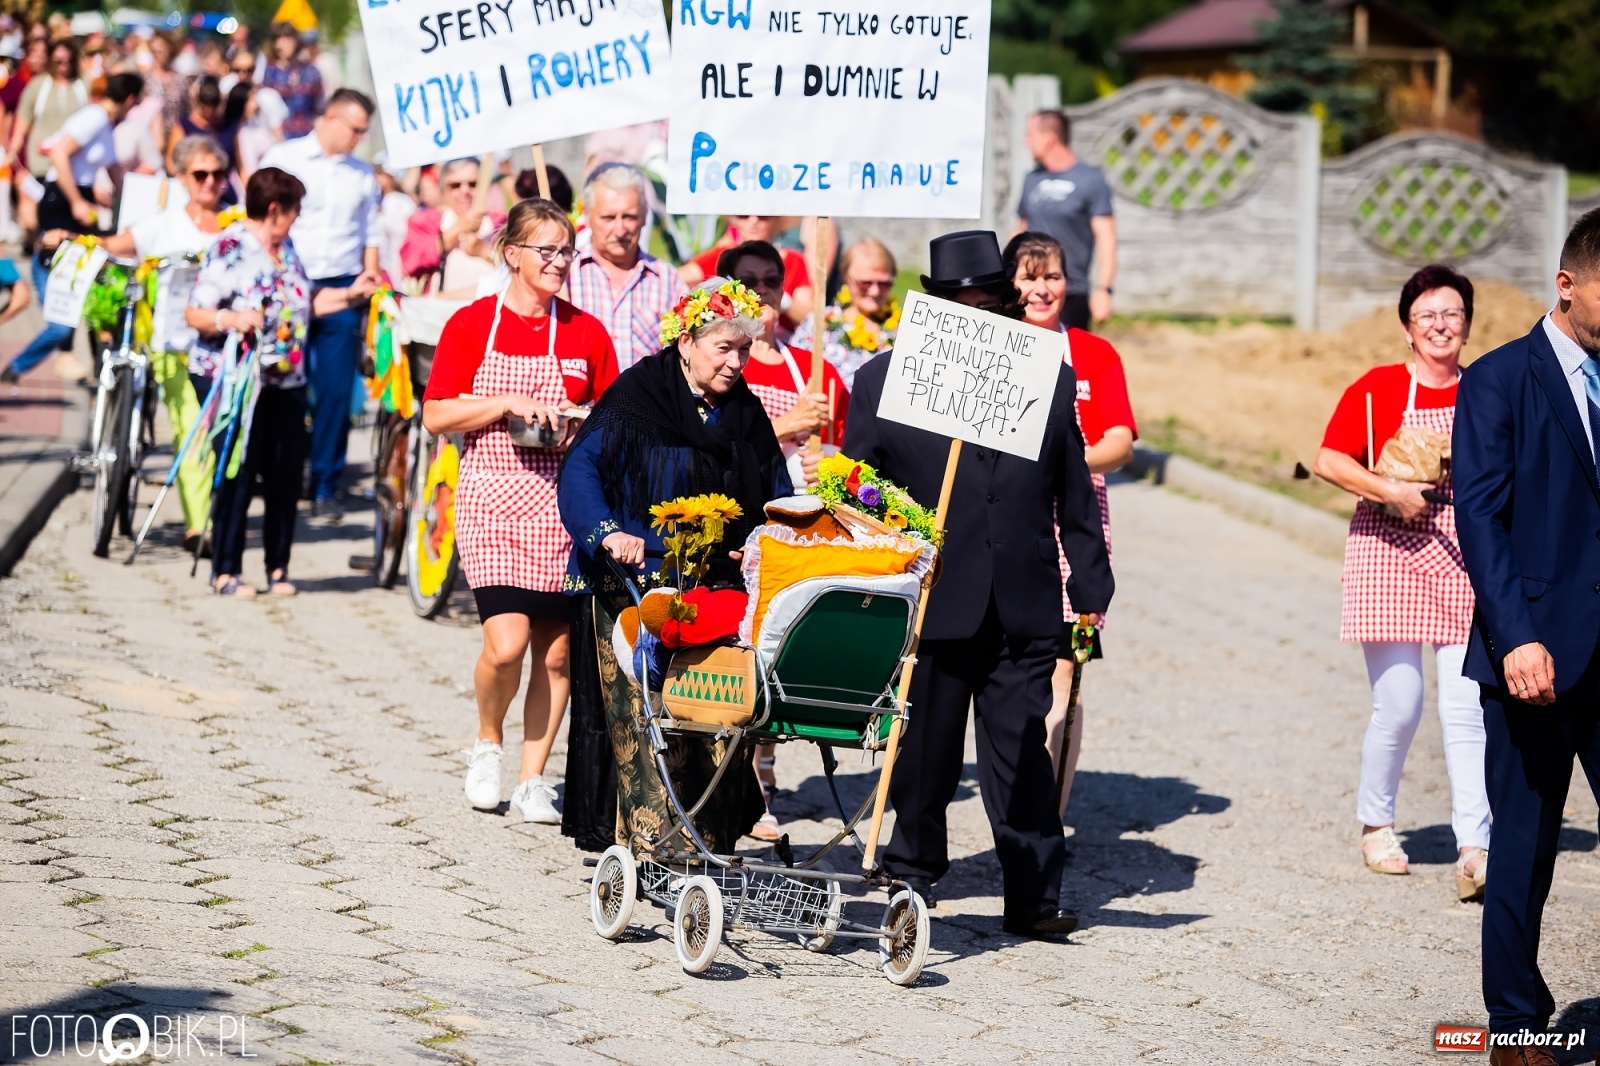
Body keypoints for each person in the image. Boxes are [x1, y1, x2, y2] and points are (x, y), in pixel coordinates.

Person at [843, 230, 1113, 938]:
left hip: (1022, 600)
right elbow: (855, 488)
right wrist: (895, 526)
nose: (979, 316)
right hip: (932, 600)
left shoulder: (1049, 378)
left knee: (1024, 749)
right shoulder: (880, 381)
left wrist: (1090, 577)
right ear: (935, 307)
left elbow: (1072, 486)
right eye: (963, 304)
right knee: (924, 753)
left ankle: (1032, 894)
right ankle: (912, 872)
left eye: (990, 302)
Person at [557, 277, 791, 854]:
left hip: (716, 591)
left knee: (716, 711)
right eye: (723, 348)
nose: (736, 362)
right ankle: (646, 846)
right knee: (646, 715)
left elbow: (774, 494)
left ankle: (707, 845)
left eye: (743, 349)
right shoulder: (638, 397)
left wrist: (763, 543)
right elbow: (581, 473)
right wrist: (610, 533)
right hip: (633, 585)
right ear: (686, 342)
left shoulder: (746, 412)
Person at [1454, 210, 1600, 1065]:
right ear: (1568, 283)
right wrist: (1514, 637)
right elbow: (1480, 517)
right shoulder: (1502, 380)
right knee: (1525, 843)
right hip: (1533, 656)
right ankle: (1512, 1026)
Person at [423, 200, 618, 823]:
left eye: (567, 251)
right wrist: (504, 399)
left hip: (561, 505)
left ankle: (533, 777)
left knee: (557, 652)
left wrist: (579, 420)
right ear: (512, 254)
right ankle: (487, 741)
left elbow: (614, 420)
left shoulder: (587, 332)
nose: (561, 262)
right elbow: (437, 413)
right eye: (548, 251)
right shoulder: (473, 324)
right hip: (492, 499)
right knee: (506, 645)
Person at [1312, 264, 1490, 899]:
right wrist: (1389, 489)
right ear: (1408, 329)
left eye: (1452, 314)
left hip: (1463, 556)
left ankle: (1476, 845)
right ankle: (1376, 823)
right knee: (1402, 703)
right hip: (1386, 550)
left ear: (1467, 323)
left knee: (1466, 705)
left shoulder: (1486, 389)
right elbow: (1328, 459)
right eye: (1427, 317)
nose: (1441, 326)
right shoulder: (1379, 387)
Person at [182, 167, 374, 597]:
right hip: (237, 380)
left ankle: (278, 568)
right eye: (295, 210)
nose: (297, 217)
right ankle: (225, 570)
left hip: (286, 380)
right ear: (274, 209)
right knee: (240, 469)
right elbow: (195, 312)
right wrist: (232, 319)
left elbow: (306, 302)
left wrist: (351, 294)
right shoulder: (230, 248)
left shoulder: (286, 249)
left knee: (287, 472)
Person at [1003, 232, 1137, 817]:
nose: (1041, 288)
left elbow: (1121, 442)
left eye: (1052, 276)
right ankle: (1012, 802)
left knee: (1065, 673)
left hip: (1073, 529)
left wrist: (1061, 467)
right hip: (1003, 524)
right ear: (1010, 285)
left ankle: (1047, 817)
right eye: (1029, 277)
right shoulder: (993, 349)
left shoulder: (1094, 353)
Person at [716, 238, 846, 841]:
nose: (764, 290)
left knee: (777, 653)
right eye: (750, 280)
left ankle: (762, 786)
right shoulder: (716, 365)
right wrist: (787, 425)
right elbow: (711, 440)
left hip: (792, 530)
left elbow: (847, 457)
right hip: (729, 526)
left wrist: (832, 469)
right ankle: (722, 779)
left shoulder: (810, 368)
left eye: (773, 278)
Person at [91, 134, 230, 550]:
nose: (210, 183)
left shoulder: (235, 224)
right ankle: (198, 524)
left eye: (218, 175)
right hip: (176, 344)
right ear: (183, 177)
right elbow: (114, 247)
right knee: (193, 426)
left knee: (223, 432)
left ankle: (216, 511)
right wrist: (73, 239)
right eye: (200, 174)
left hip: (224, 344)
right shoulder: (165, 224)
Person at [260, 88, 381, 519]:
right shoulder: (284, 158)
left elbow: (371, 233)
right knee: (282, 381)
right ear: (330, 118)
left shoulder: (362, 175)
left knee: (333, 391)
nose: (359, 138)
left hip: (344, 286)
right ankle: (277, 473)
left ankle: (325, 483)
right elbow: (261, 219)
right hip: (292, 282)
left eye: (364, 132)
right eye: (355, 129)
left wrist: (370, 279)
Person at [0, 72, 142, 384]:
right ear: (131, 100)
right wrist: (78, 200)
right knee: (65, 307)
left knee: (99, 283)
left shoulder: (104, 122)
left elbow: (108, 168)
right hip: (62, 204)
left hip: (79, 202)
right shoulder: (94, 116)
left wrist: (122, 200)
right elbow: (60, 153)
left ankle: (100, 365)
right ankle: (22, 365)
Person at [566, 162, 686, 370]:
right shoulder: (565, 274)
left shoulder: (667, 279)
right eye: (609, 218)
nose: (620, 230)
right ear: (588, 216)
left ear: (644, 217)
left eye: (629, 217)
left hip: (646, 401)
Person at [1015, 109, 1117, 330]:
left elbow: (1106, 237)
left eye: (1030, 135)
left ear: (1049, 138)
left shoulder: (1090, 180)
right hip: (1030, 294)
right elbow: (1021, 229)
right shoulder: (1031, 179)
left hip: (1070, 292)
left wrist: (1104, 290)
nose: (1026, 142)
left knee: (1069, 362)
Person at [790, 237, 899, 389]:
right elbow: (794, 373)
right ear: (847, 278)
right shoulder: (820, 324)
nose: (875, 291)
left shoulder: (901, 332)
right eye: (865, 283)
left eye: (884, 283)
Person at [679, 215, 818, 330]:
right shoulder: (722, 257)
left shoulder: (793, 261)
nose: (753, 221)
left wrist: (779, 300)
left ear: (775, 219)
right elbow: (673, 278)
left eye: (763, 216)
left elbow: (811, 317)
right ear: (733, 219)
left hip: (779, 346)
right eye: (744, 216)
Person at [399, 156, 503, 296]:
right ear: (443, 189)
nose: (464, 191)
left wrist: (484, 252)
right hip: (440, 312)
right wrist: (456, 230)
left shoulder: (501, 223)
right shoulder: (424, 221)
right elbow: (410, 264)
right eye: (455, 185)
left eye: (473, 184)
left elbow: (520, 269)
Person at [259, 22, 321, 140]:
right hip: (280, 137)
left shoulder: (311, 71)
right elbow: (268, 107)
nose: (285, 44)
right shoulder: (271, 72)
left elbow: (319, 106)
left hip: (308, 135)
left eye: (288, 38)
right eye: (280, 39)